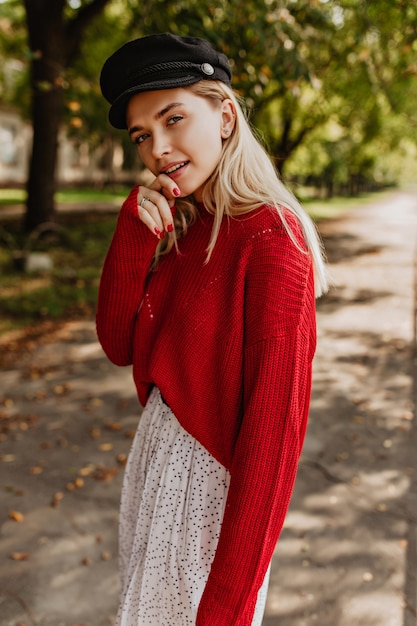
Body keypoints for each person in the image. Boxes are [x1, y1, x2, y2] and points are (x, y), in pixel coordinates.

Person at [97, 33, 328, 626]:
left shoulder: (274, 243)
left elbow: (273, 444)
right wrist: (132, 240)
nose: (159, 148)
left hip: (209, 501)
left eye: (174, 119)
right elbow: (119, 344)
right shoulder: (186, 226)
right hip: (156, 470)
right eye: (143, 134)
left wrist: (227, 603)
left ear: (225, 116)